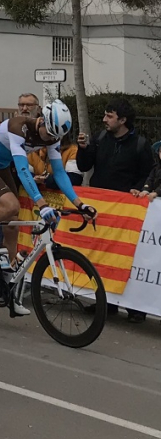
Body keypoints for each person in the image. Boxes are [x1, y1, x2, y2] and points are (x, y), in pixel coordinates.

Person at [0, 99, 97, 315]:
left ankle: (7, 291)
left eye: (57, 138)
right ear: (42, 121)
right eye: (50, 135)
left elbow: (60, 173)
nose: (52, 140)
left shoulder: (52, 136)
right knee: (10, 204)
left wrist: (80, 204)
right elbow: (23, 169)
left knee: (12, 222)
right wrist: (41, 204)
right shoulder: (19, 127)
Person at [77, 98, 153, 323]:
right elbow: (84, 167)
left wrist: (138, 190)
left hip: (127, 213)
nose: (104, 120)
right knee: (103, 256)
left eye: (109, 116)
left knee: (127, 258)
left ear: (123, 120)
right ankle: (105, 303)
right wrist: (83, 150)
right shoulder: (100, 139)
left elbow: (147, 174)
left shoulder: (140, 144)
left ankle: (135, 308)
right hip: (101, 209)